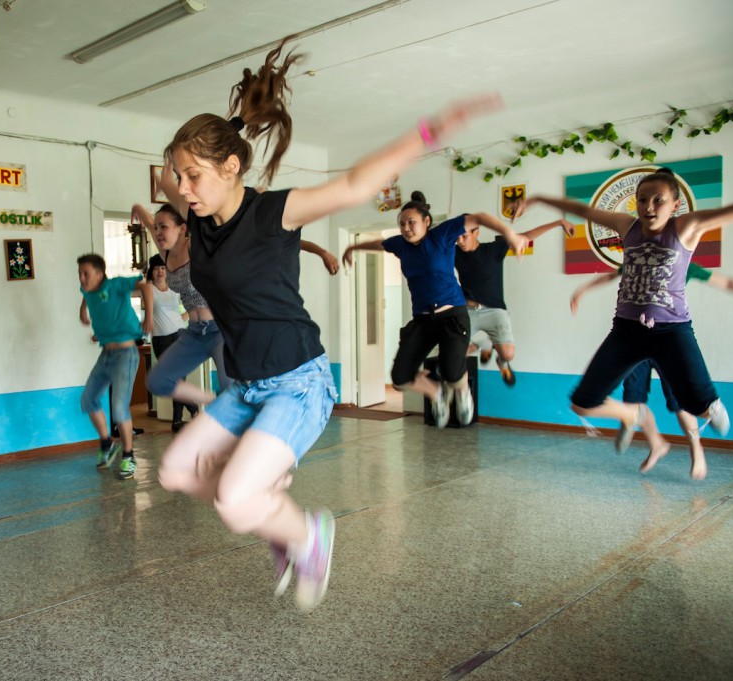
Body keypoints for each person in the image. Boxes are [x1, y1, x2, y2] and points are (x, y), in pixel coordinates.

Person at [153, 35, 501, 611]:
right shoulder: (202, 220)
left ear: (231, 167)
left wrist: (428, 133)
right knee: (175, 471)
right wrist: (220, 129)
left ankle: (308, 535)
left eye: (191, 175)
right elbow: (178, 179)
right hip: (245, 384)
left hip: (298, 380)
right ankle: (276, 515)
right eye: (178, 176)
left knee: (234, 501)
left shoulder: (272, 212)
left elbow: (355, 185)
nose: (182, 188)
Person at [512, 168, 733, 470]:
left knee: (698, 405)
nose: (649, 207)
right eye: (642, 200)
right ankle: (635, 415)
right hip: (626, 332)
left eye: (659, 200)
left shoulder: (686, 227)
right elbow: (582, 210)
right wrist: (537, 198)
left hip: (672, 332)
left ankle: (710, 406)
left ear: (675, 205)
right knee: (582, 402)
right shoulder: (626, 226)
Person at [134, 202, 340, 416]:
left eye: (163, 227)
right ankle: (214, 401)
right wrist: (136, 208)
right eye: (156, 227)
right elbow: (147, 220)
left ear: (182, 228)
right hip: (194, 333)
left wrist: (322, 252)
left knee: (231, 387)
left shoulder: (198, 245)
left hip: (220, 332)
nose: (157, 231)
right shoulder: (165, 253)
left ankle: (252, 421)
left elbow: (270, 240)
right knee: (157, 381)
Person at [343, 195, 527, 427]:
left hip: (452, 316)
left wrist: (509, 233)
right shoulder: (400, 244)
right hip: (423, 321)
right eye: (402, 224)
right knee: (400, 378)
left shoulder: (442, 235)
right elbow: (379, 245)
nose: (406, 228)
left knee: (451, 371)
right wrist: (352, 247)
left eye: (412, 222)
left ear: (427, 221)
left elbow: (478, 217)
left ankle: (461, 392)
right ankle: (437, 393)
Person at [570, 262, 733, 480]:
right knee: (633, 397)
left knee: (680, 402)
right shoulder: (639, 259)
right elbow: (609, 276)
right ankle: (655, 443)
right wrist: (581, 290)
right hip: (632, 339)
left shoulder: (683, 263)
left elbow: (726, 282)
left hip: (667, 340)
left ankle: (696, 449)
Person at [455, 217, 575, 386]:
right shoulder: (454, 253)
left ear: (476, 232)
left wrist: (559, 223)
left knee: (508, 354)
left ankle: (502, 363)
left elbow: (526, 236)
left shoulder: (494, 249)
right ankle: (484, 343)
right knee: (455, 354)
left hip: (495, 311)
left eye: (464, 236)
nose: (460, 241)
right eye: (457, 237)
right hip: (468, 312)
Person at [77, 253, 154, 480]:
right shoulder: (88, 290)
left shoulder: (115, 284)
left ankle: (129, 456)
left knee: (119, 406)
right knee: (88, 399)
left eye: (86, 274)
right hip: (106, 354)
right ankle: (107, 443)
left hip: (126, 354)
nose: (82, 278)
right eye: (79, 274)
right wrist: (82, 309)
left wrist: (148, 315)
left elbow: (145, 286)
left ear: (100, 274)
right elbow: (85, 295)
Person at [146, 252, 198, 432]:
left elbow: (189, 307)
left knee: (179, 379)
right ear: (151, 272)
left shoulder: (175, 289)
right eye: (156, 269)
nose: (160, 271)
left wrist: (183, 317)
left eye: (162, 268)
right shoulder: (148, 289)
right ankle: (192, 407)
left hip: (179, 335)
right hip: (161, 339)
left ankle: (177, 421)